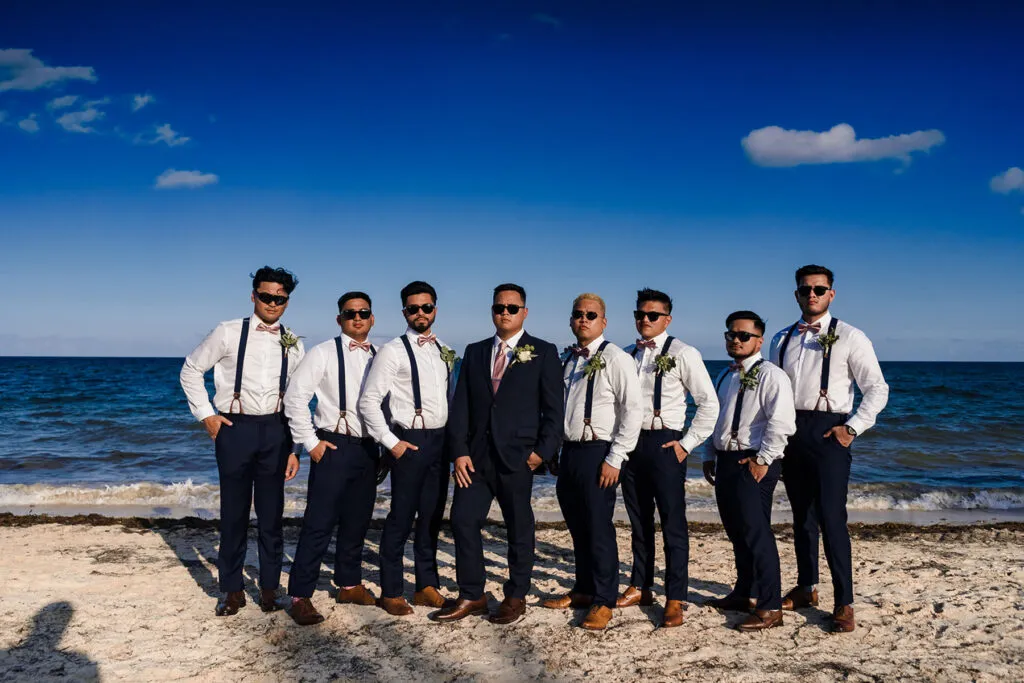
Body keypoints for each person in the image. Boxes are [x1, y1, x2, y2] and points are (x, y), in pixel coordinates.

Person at [769, 265, 889, 633]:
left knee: (832, 518)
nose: (812, 295)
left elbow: (877, 388)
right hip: (790, 432)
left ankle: (844, 602)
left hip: (829, 431)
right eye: (805, 289)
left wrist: (852, 428)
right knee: (801, 517)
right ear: (796, 294)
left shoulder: (851, 336)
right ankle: (806, 588)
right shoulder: (780, 338)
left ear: (831, 294)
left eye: (819, 289)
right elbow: (772, 390)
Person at [435, 284, 564, 624]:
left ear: (524, 312)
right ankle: (472, 594)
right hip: (475, 459)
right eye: (499, 307)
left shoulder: (543, 351)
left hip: (518, 458)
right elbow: (461, 406)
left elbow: (554, 410)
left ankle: (516, 595)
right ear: (492, 311)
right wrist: (459, 452)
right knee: (462, 519)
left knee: (519, 526)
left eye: (512, 307)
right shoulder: (475, 351)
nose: (504, 312)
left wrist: (541, 453)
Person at [179, 266, 303, 616]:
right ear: (253, 296)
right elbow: (190, 369)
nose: (272, 303)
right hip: (235, 429)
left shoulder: (294, 342)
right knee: (233, 515)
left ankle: (269, 589)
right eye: (266, 296)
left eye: (280, 298)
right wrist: (207, 416)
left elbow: (298, 398)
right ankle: (231, 590)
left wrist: (295, 448)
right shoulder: (228, 331)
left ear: (287, 302)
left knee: (271, 516)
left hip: (277, 430)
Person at [618, 288, 719, 628]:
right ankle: (641, 585)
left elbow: (709, 403)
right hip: (631, 444)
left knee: (672, 523)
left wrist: (686, 444)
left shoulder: (684, 353)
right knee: (638, 521)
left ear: (667, 319)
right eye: (640, 314)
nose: (645, 320)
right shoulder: (627, 354)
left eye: (653, 315)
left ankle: (675, 596)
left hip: (665, 444)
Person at [541, 293, 642, 631]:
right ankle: (583, 589)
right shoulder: (567, 359)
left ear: (603, 321)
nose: (583, 319)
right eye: (578, 314)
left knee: (598, 528)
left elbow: (633, 411)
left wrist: (616, 457)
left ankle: (603, 600)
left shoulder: (616, 358)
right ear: (571, 320)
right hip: (570, 452)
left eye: (591, 315)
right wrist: (554, 450)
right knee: (577, 526)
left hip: (599, 452)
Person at [283, 292, 381, 626]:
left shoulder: (381, 355)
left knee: (357, 521)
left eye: (363, 313)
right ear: (339, 319)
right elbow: (295, 400)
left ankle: (349, 585)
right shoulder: (322, 353)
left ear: (372, 318)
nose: (357, 318)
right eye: (350, 313)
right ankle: (300, 595)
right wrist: (311, 443)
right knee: (318, 523)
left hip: (369, 448)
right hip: (333, 445)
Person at [359, 281, 454, 616]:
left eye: (426, 307)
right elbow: (369, 402)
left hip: (440, 442)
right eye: (413, 309)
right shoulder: (392, 351)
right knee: (400, 518)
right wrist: (392, 443)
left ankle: (426, 587)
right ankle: (391, 591)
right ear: (404, 313)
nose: (420, 313)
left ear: (435, 309)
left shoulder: (444, 349)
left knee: (431, 517)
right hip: (409, 442)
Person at [703, 311, 796, 631]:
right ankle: (745, 592)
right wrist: (709, 454)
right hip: (726, 460)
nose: (736, 340)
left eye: (743, 335)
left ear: (759, 340)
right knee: (736, 531)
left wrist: (764, 459)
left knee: (757, 534)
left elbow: (782, 422)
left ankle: (770, 606)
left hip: (753, 461)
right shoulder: (724, 375)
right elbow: (716, 419)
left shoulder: (772, 375)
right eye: (731, 334)